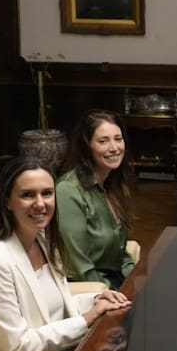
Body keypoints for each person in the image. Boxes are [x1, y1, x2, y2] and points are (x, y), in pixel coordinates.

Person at [0, 156, 131, 351]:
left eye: (47, 193)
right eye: (27, 195)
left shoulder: (43, 239)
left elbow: (51, 309)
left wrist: (94, 301)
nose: (40, 203)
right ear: (7, 201)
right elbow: (17, 346)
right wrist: (87, 319)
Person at [57, 109, 136, 289]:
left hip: (114, 283)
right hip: (90, 290)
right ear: (87, 146)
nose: (114, 148)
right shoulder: (67, 191)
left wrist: (138, 280)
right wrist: (113, 293)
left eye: (118, 138)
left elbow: (120, 254)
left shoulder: (114, 184)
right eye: (103, 141)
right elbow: (79, 267)